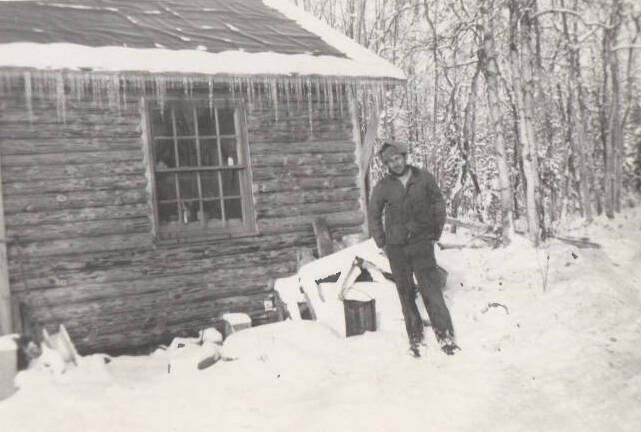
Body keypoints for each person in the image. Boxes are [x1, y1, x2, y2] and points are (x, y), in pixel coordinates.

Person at [368, 142, 459, 357]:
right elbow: (373, 215)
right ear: (386, 164)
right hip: (396, 248)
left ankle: (445, 335)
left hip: (421, 244)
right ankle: (415, 338)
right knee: (406, 293)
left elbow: (439, 205)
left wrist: (434, 235)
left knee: (431, 290)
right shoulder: (383, 187)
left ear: (404, 156)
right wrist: (382, 242)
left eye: (398, 158)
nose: (395, 163)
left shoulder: (424, 179)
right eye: (390, 161)